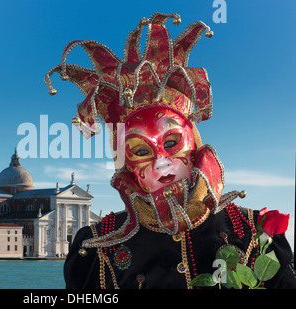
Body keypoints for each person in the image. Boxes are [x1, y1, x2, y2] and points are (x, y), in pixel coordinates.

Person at [45, 13, 295, 289]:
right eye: (140, 151)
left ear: (195, 141)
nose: (162, 163)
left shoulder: (254, 231)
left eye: (171, 143)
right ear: (124, 164)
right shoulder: (94, 249)